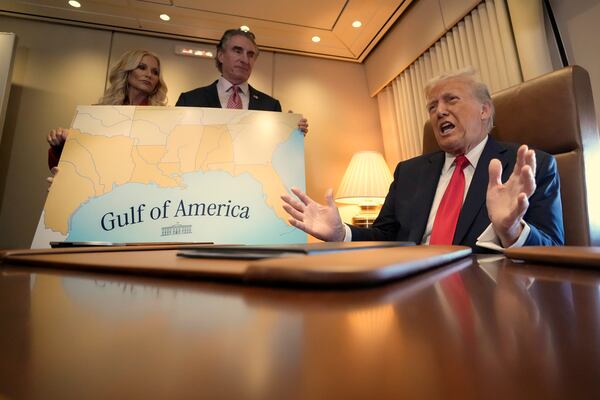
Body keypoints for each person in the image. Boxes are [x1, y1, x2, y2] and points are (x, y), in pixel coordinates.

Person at [281, 69, 564, 252]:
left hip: (487, 301)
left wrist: (512, 231)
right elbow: (386, 237)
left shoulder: (527, 167)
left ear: (484, 110)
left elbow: (554, 250)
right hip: (410, 297)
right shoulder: (409, 172)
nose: (439, 111)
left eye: (451, 100)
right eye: (432, 106)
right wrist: (342, 233)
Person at [46, 49, 168, 178]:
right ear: (127, 71)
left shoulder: (163, 120)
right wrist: (59, 144)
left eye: (155, 72)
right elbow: (68, 165)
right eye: (142, 67)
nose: (149, 75)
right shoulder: (97, 114)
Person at [175, 28, 308, 133]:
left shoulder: (271, 106)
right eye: (237, 51)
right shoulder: (190, 101)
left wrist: (290, 131)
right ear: (221, 55)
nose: (245, 60)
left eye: (250, 55)